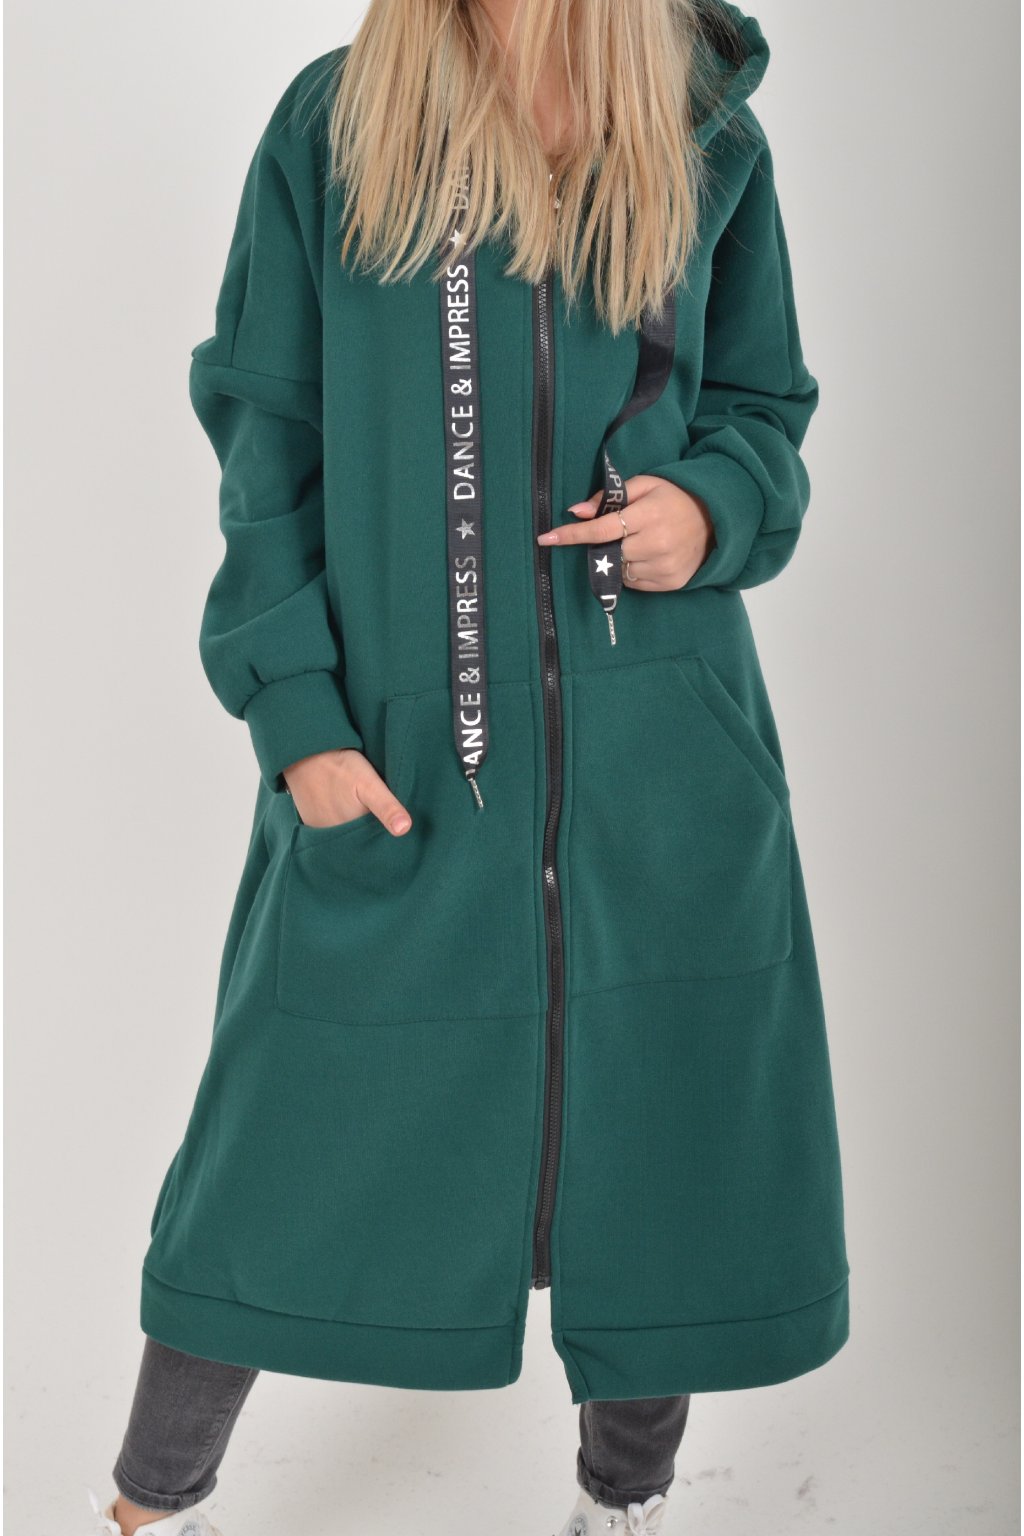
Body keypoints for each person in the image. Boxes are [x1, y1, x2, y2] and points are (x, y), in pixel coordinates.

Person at [85, 0, 850, 1531]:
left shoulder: (703, 135)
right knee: (271, 1145)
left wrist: (713, 508)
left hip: (665, 756)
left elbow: (764, 409)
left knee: (662, 1145)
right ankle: (150, 1508)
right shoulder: (338, 126)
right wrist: (296, 714)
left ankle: (621, 1504)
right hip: (403, 759)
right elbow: (265, 438)